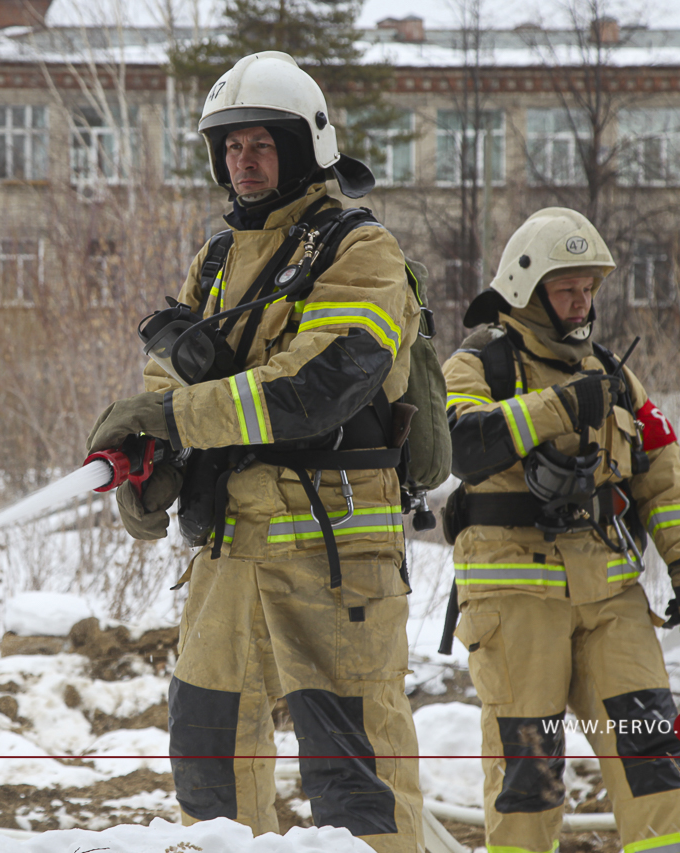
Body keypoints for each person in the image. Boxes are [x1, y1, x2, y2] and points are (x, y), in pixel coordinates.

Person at [85, 51, 423, 851]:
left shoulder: (361, 250)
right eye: (231, 145)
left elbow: (315, 386)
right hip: (228, 547)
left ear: (306, 147)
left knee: (353, 772)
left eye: (263, 143)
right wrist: (148, 462)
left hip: (334, 547)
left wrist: (174, 416)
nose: (244, 160)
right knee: (209, 756)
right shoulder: (215, 263)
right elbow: (166, 384)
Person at [442, 207, 680, 853]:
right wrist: (557, 409)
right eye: (567, 288)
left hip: (610, 593)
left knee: (653, 751)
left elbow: (662, 472)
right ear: (525, 287)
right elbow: (460, 444)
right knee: (528, 774)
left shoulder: (613, 374)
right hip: (514, 600)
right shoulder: (479, 363)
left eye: (588, 288)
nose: (581, 302)